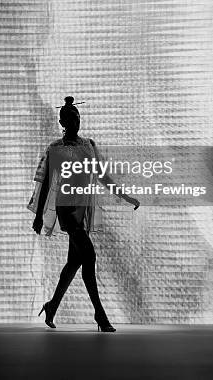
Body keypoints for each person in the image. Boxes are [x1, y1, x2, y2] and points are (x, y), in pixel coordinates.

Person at [28, 96, 140, 332]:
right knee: (89, 257)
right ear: (62, 121)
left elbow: (102, 176)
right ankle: (100, 315)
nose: (75, 121)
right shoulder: (55, 149)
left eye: (77, 116)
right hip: (66, 208)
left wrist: (125, 195)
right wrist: (38, 216)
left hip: (83, 208)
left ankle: (52, 305)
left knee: (74, 261)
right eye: (70, 118)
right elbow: (47, 183)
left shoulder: (88, 144)